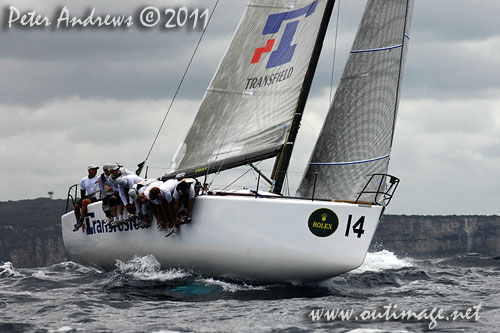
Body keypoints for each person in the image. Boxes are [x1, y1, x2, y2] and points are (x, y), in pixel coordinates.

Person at [73, 164, 100, 231]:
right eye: (94, 169)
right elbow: (83, 194)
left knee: (85, 202)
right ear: (89, 171)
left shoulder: (98, 178)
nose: (96, 171)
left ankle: (81, 220)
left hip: (96, 197)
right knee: (76, 205)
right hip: (88, 197)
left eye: (96, 170)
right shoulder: (84, 180)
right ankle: (78, 221)